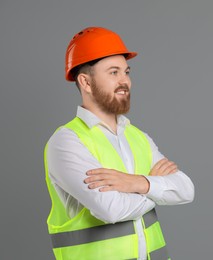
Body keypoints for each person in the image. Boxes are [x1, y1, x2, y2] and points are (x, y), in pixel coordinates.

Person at [43, 27, 194, 260]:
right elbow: (111, 209)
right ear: (86, 82)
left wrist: (137, 183)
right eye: (113, 72)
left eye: (126, 72)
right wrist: (155, 187)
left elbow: (185, 189)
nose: (125, 81)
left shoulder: (138, 136)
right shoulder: (66, 142)